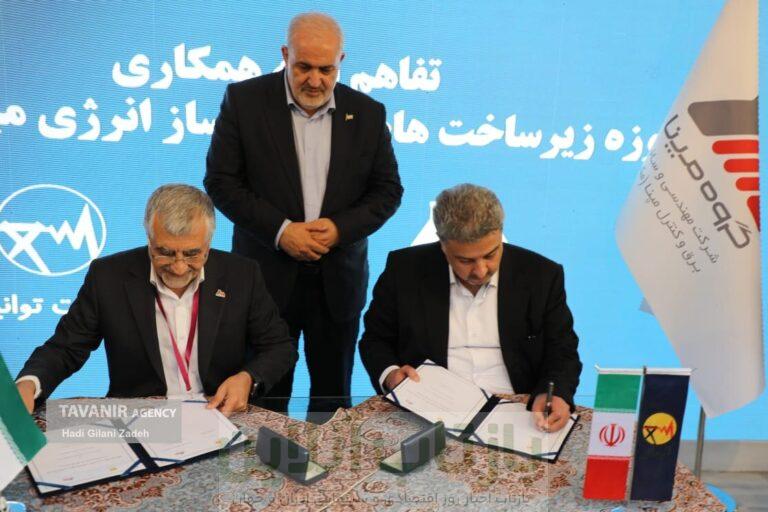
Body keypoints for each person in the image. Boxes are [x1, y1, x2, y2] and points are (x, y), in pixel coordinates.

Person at [204, 12, 402, 421]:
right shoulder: (244, 102)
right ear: (285, 55)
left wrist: (340, 229)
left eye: (326, 69)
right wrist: (281, 231)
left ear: (341, 61)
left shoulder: (368, 113)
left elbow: (387, 192)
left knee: (333, 401)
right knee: (264, 400)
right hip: (266, 282)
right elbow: (221, 182)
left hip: (338, 284)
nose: (315, 80)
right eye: (304, 67)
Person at [15, 184, 296, 416]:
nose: (179, 267)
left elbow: (279, 347)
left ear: (208, 244)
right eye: (165, 252)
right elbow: (65, 348)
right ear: (149, 238)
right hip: (141, 420)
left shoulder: (241, 275)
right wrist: (28, 384)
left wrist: (247, 378)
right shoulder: (108, 277)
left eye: (192, 254)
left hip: (220, 412)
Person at [359, 184, 582, 432]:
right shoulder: (404, 270)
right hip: (429, 409)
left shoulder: (541, 275)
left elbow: (562, 349)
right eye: (465, 260)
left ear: (500, 233)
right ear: (443, 244)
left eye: (490, 254)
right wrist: (391, 375)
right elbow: (376, 340)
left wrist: (556, 394)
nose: (481, 270)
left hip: (517, 408)